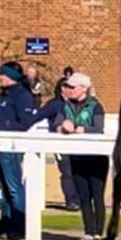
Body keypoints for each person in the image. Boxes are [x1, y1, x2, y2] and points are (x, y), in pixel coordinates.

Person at [31, 72, 107, 240]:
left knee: (97, 196)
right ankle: (88, 233)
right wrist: (61, 127)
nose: (68, 90)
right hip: (76, 157)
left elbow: (98, 128)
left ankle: (99, 234)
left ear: (83, 88)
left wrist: (81, 129)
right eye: (67, 87)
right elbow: (56, 125)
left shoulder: (95, 106)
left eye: (72, 87)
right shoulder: (65, 107)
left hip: (96, 158)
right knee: (84, 197)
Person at [0, 62, 38, 240]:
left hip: (10, 146)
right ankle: (6, 222)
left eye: (2, 74)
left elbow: (25, 122)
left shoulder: (22, 95)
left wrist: (5, 128)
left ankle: (19, 225)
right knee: (4, 187)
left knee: (14, 186)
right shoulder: (4, 95)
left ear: (10, 77)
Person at [52, 66, 79, 210]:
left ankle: (79, 199)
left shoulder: (77, 105)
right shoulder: (55, 105)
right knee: (67, 172)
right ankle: (71, 200)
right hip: (60, 143)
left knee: (77, 172)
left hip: (76, 144)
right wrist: (58, 128)